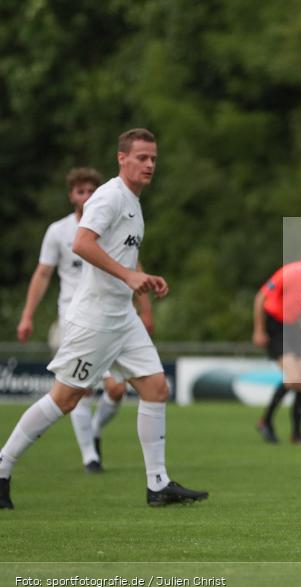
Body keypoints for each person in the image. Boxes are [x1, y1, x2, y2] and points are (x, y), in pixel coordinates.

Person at [0, 128, 208, 509]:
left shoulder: (132, 200)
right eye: (142, 157)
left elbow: (122, 255)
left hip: (121, 317)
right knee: (64, 399)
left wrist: (141, 279)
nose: (149, 164)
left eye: (153, 159)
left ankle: (158, 484)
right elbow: (81, 243)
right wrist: (129, 277)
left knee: (155, 387)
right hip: (95, 319)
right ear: (121, 159)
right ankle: (2, 465)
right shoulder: (110, 196)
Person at [16, 167, 155, 474]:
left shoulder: (114, 214)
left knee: (121, 390)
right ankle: (89, 455)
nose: (87, 196)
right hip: (78, 318)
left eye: (91, 190)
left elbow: (134, 264)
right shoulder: (59, 231)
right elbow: (43, 274)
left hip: (117, 316)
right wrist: (27, 315)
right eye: (80, 191)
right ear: (71, 196)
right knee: (74, 394)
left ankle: (96, 436)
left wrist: (145, 310)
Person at [252, 241, 301, 444]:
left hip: (293, 325)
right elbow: (260, 298)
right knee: (294, 377)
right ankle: (265, 421)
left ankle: (296, 433)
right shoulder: (289, 272)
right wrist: (259, 330)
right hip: (274, 325)